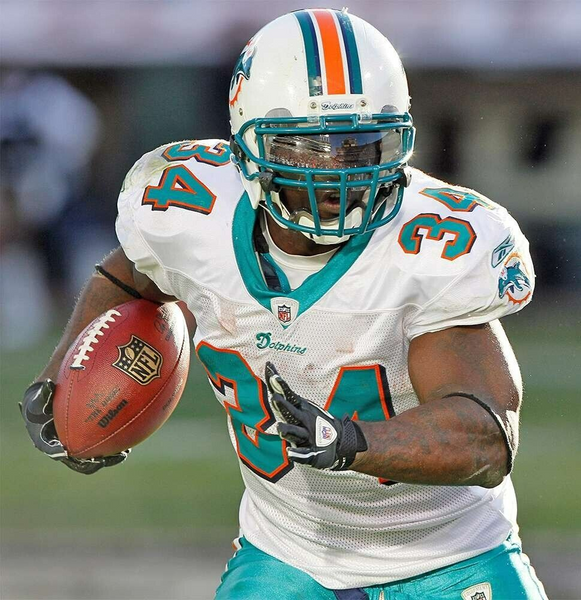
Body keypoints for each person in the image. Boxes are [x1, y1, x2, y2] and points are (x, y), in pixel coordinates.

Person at [21, 8, 547, 599]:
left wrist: (352, 443)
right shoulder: (191, 215)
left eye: (360, 146)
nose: (338, 173)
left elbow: (484, 436)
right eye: (308, 149)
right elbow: (132, 277)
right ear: (248, 146)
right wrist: (64, 380)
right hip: (286, 554)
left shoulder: (431, 246)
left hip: (449, 555)